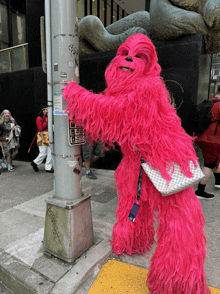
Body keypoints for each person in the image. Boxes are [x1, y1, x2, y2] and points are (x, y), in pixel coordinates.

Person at [63, 34, 210, 293]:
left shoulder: (148, 87)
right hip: (137, 159)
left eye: (139, 56)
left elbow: (112, 111)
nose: (129, 58)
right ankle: (132, 241)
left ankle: (177, 282)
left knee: (180, 223)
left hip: (168, 159)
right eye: (125, 53)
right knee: (132, 202)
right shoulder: (123, 88)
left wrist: (76, 95)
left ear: (149, 65)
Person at [195, 88, 220, 200]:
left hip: (202, 137)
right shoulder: (219, 105)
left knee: (214, 160)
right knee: (209, 165)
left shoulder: (207, 103)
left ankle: (218, 182)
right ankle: (200, 191)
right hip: (213, 140)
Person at [31, 107, 53, 173]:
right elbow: (40, 129)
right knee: (43, 153)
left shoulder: (49, 118)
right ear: (42, 111)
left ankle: (48, 167)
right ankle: (35, 162)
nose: (45, 111)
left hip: (49, 135)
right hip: (42, 136)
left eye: (47, 109)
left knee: (50, 153)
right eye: (44, 110)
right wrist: (43, 139)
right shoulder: (39, 118)